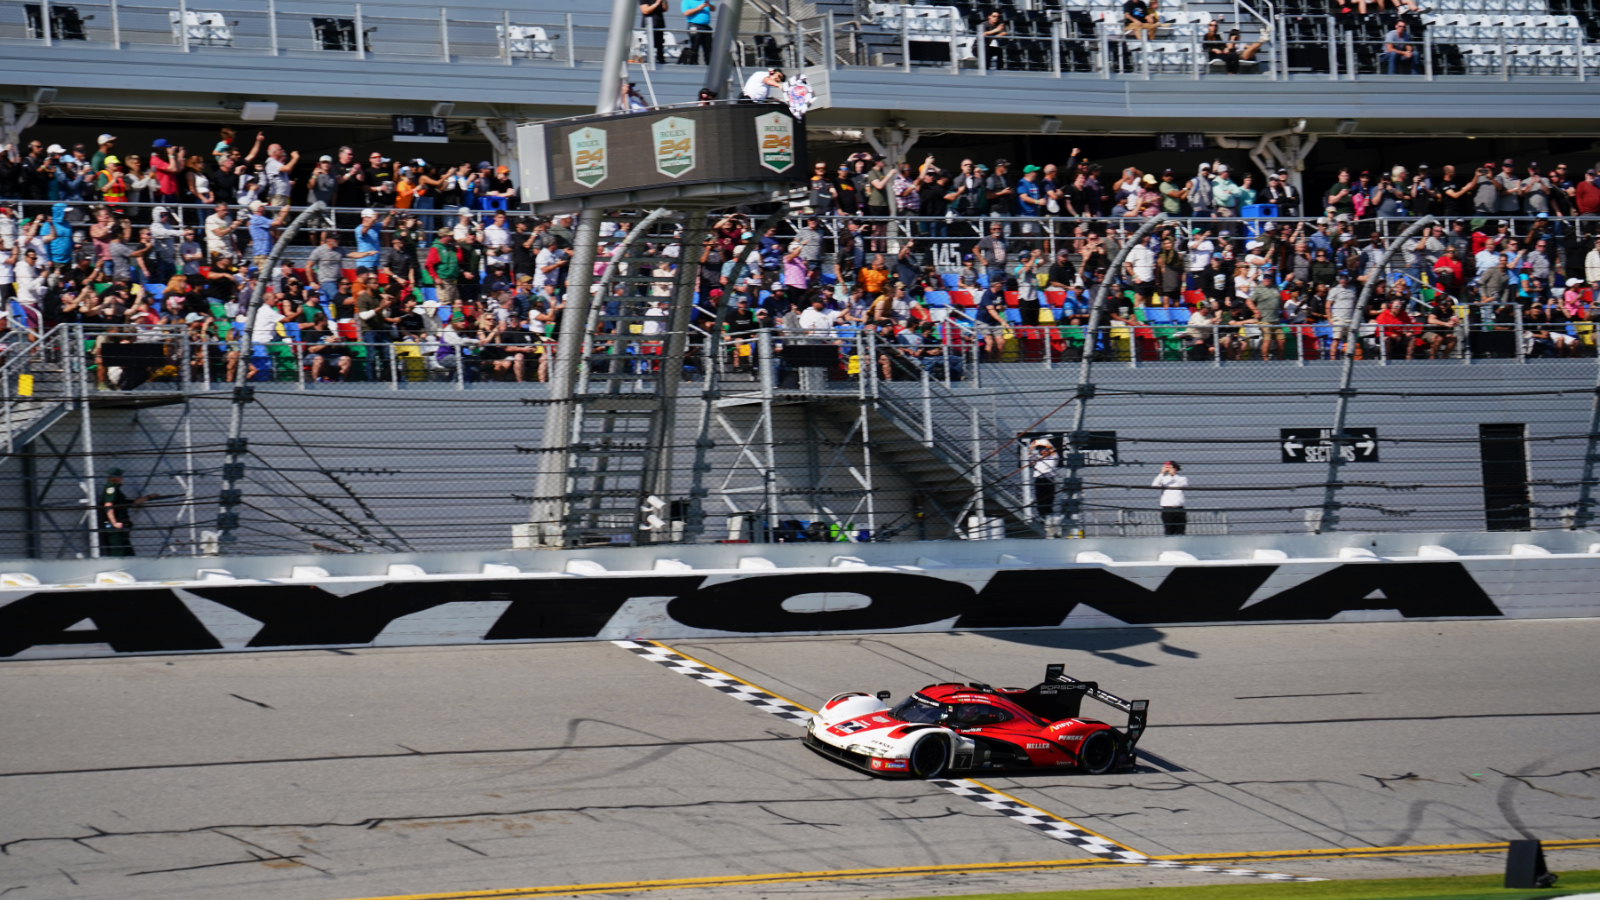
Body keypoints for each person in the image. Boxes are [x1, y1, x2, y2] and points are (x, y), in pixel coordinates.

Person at [99, 467, 157, 558]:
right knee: (118, 554)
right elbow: (108, 505)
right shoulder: (111, 487)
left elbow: (131, 502)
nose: (122, 478)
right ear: (116, 477)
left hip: (122, 528)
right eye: (120, 476)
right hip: (116, 529)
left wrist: (148, 497)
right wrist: (114, 523)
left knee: (128, 554)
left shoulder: (117, 490)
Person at [1152, 461, 1188, 535]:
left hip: (1179, 508)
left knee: (1180, 530)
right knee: (1168, 530)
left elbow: (1184, 485)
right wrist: (1161, 473)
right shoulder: (1163, 479)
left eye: (1171, 467)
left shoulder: (1182, 478)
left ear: (1175, 468)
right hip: (1167, 508)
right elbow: (1154, 485)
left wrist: (1173, 475)